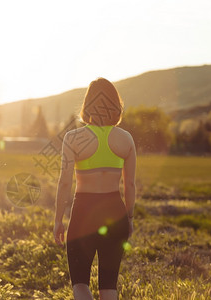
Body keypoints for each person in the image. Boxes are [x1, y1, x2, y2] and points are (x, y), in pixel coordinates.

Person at [54, 78, 137, 300]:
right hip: (115, 212)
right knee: (109, 287)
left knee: (80, 284)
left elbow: (64, 182)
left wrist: (58, 220)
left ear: (87, 104)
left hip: (83, 213)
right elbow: (129, 184)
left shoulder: (73, 138)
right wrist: (128, 219)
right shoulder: (126, 139)